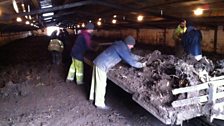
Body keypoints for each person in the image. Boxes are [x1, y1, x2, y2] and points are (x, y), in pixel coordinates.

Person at [89, 35, 147, 109]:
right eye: (132, 45)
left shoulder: (121, 45)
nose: (132, 47)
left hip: (98, 62)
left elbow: (130, 55)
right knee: (101, 84)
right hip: (102, 65)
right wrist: (142, 65)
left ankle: (92, 97)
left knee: (95, 82)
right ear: (128, 44)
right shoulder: (121, 48)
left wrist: (140, 58)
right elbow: (131, 62)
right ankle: (99, 103)